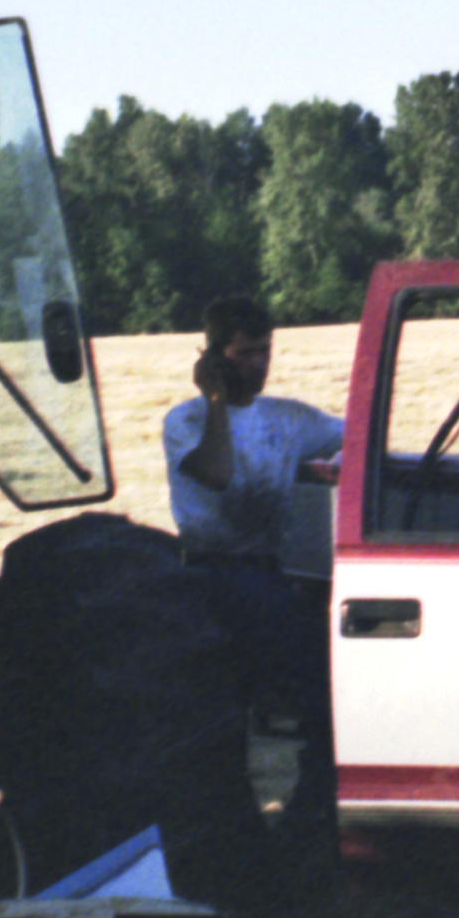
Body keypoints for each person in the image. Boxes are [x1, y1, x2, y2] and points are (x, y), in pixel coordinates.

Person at [163, 295, 344, 840]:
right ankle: (228, 826)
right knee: (220, 716)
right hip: (207, 576)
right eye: (245, 354)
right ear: (215, 358)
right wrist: (216, 400)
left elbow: (358, 433)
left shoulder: (289, 418)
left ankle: (309, 814)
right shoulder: (186, 420)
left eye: (267, 351)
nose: (261, 364)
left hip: (269, 574)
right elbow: (216, 473)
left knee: (320, 690)